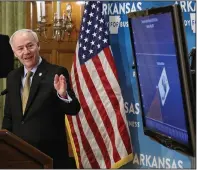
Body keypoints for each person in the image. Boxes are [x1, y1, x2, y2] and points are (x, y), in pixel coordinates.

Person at [2, 29, 81, 169]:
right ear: (14, 52)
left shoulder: (56, 72)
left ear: (38, 45)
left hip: (48, 157)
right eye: (20, 48)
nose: (26, 52)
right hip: (18, 157)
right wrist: (4, 147)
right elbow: (9, 116)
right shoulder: (13, 77)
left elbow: (73, 109)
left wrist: (62, 95)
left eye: (30, 46)